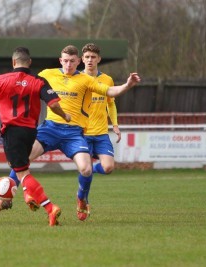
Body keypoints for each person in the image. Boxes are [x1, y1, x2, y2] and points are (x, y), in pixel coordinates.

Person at [0, 45, 141, 221]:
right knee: (22, 159)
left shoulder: (85, 79)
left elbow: (110, 92)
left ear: (78, 61)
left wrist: (128, 85)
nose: (68, 65)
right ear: (61, 61)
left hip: (74, 133)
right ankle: (3, 200)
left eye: (72, 61)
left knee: (86, 169)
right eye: (65, 61)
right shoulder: (48, 74)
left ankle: (81, 199)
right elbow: (25, 82)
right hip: (50, 129)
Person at [0, 47, 71, 226]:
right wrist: (65, 116)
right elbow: (52, 104)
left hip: (12, 131)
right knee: (19, 166)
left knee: (22, 173)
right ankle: (26, 195)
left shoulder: (0, 80)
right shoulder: (38, 81)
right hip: (31, 132)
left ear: (13, 62)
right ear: (29, 63)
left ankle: (50, 208)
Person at [79, 43, 121, 216]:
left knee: (108, 167)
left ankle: (83, 195)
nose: (90, 60)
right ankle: (82, 200)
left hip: (102, 132)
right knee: (85, 169)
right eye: (87, 57)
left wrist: (115, 125)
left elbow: (111, 104)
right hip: (83, 133)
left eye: (93, 57)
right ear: (82, 59)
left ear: (99, 59)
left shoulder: (107, 80)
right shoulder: (77, 79)